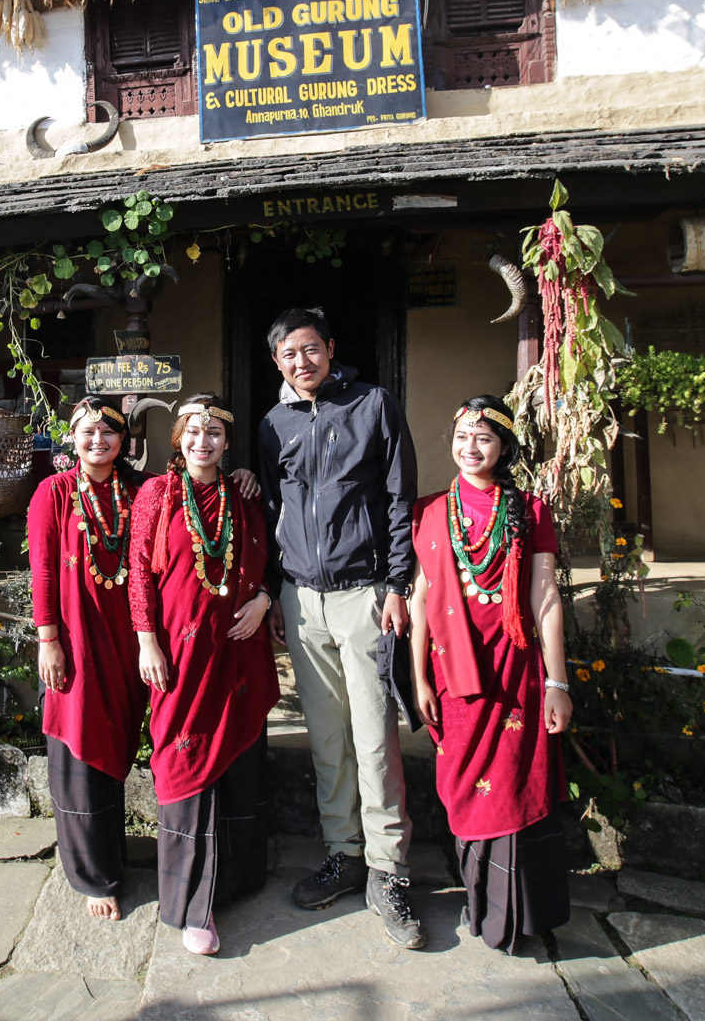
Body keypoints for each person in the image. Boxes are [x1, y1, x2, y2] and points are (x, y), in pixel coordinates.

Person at [257, 307, 424, 950]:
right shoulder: (274, 424)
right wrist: (274, 591)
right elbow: (273, 507)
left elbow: (398, 495)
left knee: (374, 737)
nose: (302, 361)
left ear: (330, 348)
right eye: (288, 354)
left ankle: (389, 870)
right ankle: (342, 854)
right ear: (277, 363)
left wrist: (397, 584)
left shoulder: (373, 404)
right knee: (327, 738)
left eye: (310, 349)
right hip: (302, 601)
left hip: (364, 595)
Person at [409, 396, 571, 954]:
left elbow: (545, 596)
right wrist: (420, 679)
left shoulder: (531, 509)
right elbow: (421, 600)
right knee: (465, 786)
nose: (469, 448)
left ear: (503, 447)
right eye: (461, 438)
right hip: (454, 673)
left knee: (514, 783)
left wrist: (557, 681)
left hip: (515, 669)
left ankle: (516, 917)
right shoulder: (430, 512)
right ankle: (480, 906)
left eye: (482, 438)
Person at [128, 393, 279, 956]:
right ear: (178, 438)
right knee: (183, 761)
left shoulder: (243, 496)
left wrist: (265, 597)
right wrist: (147, 641)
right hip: (179, 655)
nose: (203, 441)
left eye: (214, 432)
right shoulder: (158, 494)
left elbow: (267, 558)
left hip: (236, 650)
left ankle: (235, 884)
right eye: (193, 431)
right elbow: (139, 574)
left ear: (227, 441)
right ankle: (192, 903)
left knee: (238, 758)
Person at [28, 396, 145, 920]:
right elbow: (45, 571)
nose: (98, 442)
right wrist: (47, 638)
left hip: (126, 642)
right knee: (78, 748)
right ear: (71, 438)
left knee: (116, 741)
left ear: (124, 441)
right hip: (75, 640)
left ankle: (113, 854)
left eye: (109, 433)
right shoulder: (53, 493)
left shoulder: (138, 491)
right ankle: (91, 875)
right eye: (88, 432)